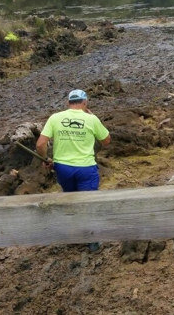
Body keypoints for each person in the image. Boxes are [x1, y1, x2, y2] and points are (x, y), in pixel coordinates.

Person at [36, 89, 111, 253]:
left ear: (68, 103)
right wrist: (93, 118)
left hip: (63, 168)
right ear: (85, 102)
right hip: (86, 168)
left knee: (70, 199)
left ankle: (73, 235)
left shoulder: (55, 118)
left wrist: (46, 159)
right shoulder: (91, 119)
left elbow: (41, 144)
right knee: (88, 203)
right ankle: (92, 241)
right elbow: (106, 141)